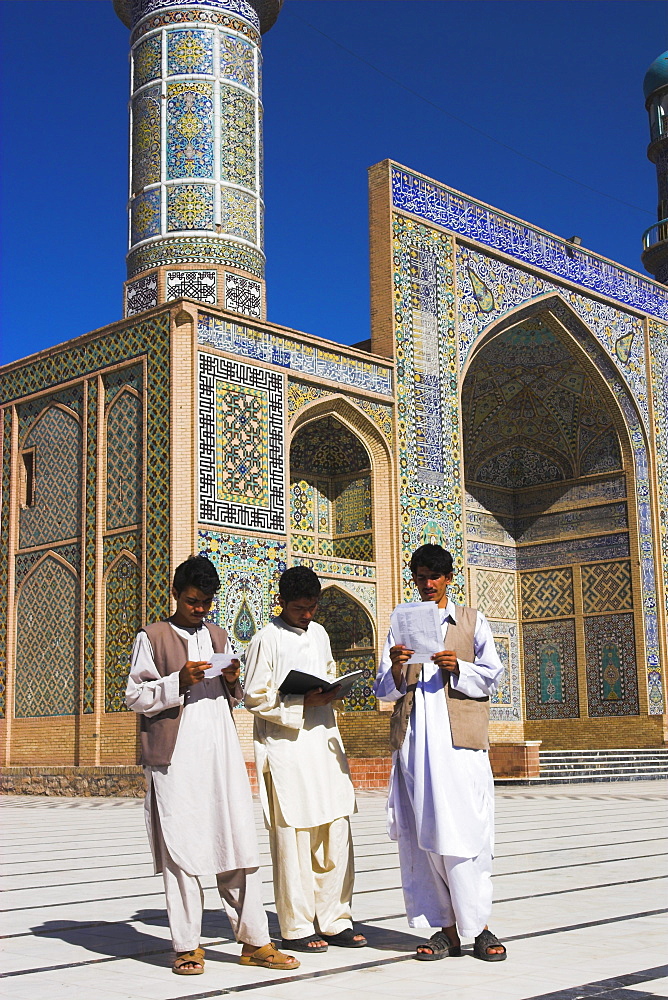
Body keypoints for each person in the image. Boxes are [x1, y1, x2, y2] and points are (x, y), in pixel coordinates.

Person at [126, 555, 298, 977]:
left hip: (220, 755)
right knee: (181, 850)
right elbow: (135, 696)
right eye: (192, 602)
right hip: (176, 759)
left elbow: (234, 697)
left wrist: (233, 676)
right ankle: (187, 946)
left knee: (235, 843)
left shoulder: (219, 635)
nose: (199, 610)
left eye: (205, 603)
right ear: (176, 595)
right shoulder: (152, 636)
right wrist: (178, 681)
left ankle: (255, 940)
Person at [373, 544, 507, 963]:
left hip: (460, 748)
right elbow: (382, 689)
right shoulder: (402, 624)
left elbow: (493, 677)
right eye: (420, 576)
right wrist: (396, 666)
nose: (427, 584)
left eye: (435, 576)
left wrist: (458, 669)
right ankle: (445, 929)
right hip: (416, 746)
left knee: (467, 835)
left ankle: (479, 927)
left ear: (449, 578)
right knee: (426, 839)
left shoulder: (472, 621)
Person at [243, 566, 367, 953]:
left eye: (312, 607)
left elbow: (326, 671)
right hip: (288, 751)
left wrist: (331, 690)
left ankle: (335, 919)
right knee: (293, 841)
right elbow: (253, 696)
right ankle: (296, 926)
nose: (307, 614)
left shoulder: (320, 633)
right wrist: (299, 702)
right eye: (299, 608)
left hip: (324, 747)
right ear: (280, 602)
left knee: (335, 835)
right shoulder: (266, 639)